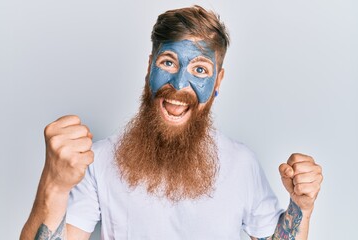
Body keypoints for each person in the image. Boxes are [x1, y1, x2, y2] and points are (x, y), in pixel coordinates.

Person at [20, 5, 323, 240]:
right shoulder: (99, 162)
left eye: (200, 70)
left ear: (218, 81)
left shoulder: (242, 164)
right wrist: (54, 185)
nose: (179, 84)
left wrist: (301, 207)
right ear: (149, 67)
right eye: (168, 62)